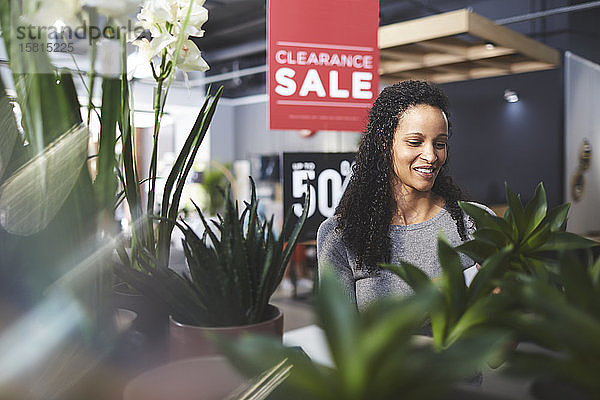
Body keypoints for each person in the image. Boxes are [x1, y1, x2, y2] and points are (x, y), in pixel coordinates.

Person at [317, 80, 492, 311]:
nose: (431, 155)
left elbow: (506, 330)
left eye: (440, 143)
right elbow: (342, 338)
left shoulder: (476, 221)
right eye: (415, 142)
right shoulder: (341, 235)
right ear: (383, 142)